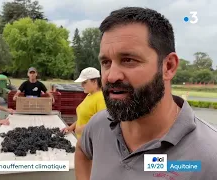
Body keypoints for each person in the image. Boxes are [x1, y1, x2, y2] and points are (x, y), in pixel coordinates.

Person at [75, 7, 217, 180]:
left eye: (128, 60)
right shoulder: (98, 125)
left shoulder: (210, 156)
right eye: (106, 62)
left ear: (168, 66)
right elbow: (82, 150)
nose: (111, 76)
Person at [61, 67, 106, 138]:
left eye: (84, 82)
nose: (81, 85)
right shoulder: (90, 94)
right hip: (82, 141)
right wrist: (71, 128)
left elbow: (103, 124)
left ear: (94, 81)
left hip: (91, 144)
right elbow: (84, 118)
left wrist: (81, 129)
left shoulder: (101, 98)